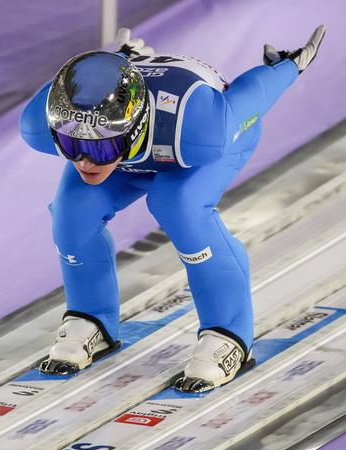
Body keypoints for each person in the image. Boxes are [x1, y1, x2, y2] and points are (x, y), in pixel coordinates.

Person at [19, 26, 326, 392]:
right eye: (70, 144)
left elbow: (250, 98)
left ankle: (228, 333)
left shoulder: (199, 128)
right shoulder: (43, 122)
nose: (84, 161)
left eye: (98, 148)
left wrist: (286, 67)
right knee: (71, 213)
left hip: (191, 147)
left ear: (132, 129)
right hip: (135, 148)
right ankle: (91, 317)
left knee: (179, 205)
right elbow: (85, 85)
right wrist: (122, 61)